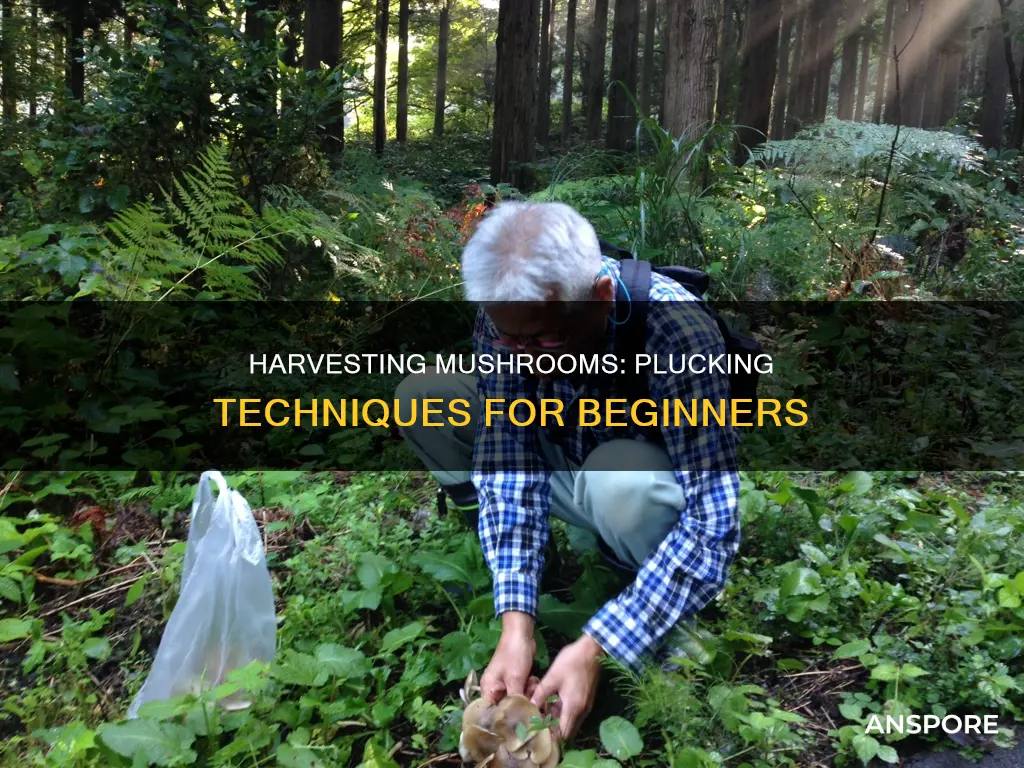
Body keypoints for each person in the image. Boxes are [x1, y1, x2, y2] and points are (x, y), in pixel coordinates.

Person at [396, 200, 740, 742]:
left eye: (545, 341)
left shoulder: (679, 332)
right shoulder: (509, 316)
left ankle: (666, 615)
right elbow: (506, 455)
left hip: (638, 480)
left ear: (599, 298)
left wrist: (597, 644)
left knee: (618, 479)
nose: (525, 357)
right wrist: (517, 624)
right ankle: (516, 554)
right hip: (565, 452)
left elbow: (713, 526)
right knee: (425, 395)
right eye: (511, 341)